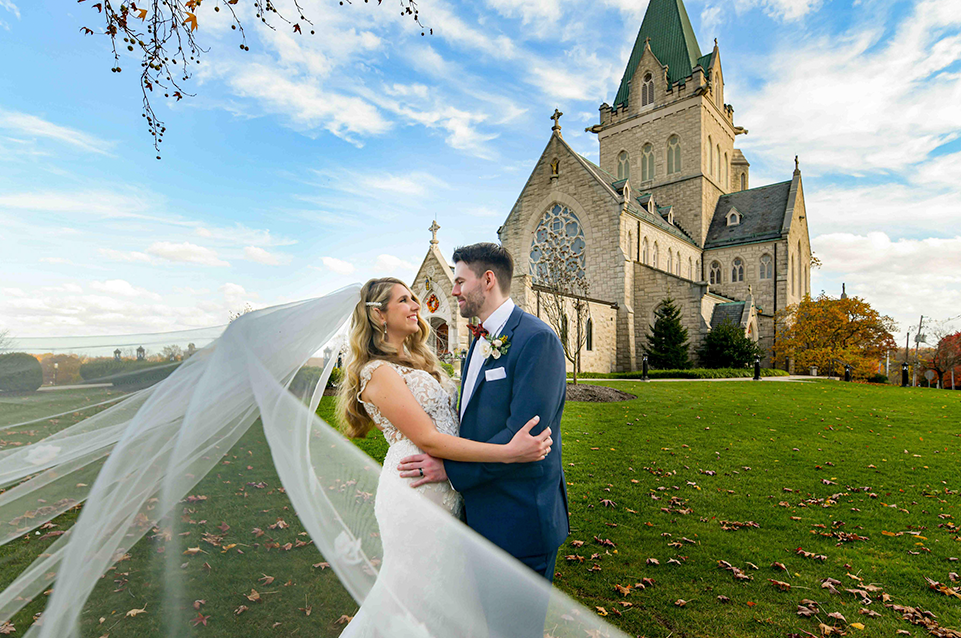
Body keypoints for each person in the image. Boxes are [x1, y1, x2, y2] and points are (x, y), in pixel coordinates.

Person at [336, 276, 552, 637]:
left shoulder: (417, 358)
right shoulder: (377, 372)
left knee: (453, 591)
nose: (416, 306)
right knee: (415, 591)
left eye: (414, 299)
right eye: (404, 300)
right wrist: (508, 453)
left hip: (448, 484)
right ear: (379, 315)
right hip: (416, 486)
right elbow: (430, 439)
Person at [397, 243, 570, 636]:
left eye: (460, 281)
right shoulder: (478, 339)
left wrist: (449, 467)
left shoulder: (536, 339)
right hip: (479, 516)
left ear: (487, 280)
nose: (453, 290)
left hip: (521, 518)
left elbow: (523, 436)